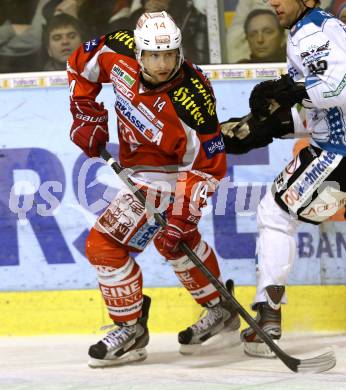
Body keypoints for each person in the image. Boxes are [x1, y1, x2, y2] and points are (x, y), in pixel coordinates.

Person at [67, 11, 240, 367]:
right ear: (139, 52)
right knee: (175, 244)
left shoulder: (192, 97)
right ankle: (220, 307)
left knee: (104, 245)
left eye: (170, 55)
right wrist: (85, 113)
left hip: (172, 174)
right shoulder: (117, 48)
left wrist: (184, 215)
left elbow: (208, 165)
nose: (163, 64)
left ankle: (130, 329)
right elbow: (78, 66)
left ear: (179, 50)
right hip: (138, 168)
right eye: (154, 56)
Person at [221, 0, 346, 357]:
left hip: (337, 154)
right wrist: (264, 128)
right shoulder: (309, 30)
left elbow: (342, 88)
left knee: (275, 214)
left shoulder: (315, 32)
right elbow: (324, 110)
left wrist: (295, 91)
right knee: (276, 212)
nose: (273, 2)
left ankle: (268, 318)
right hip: (336, 149)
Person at [225, 0, 332, 63]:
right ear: (247, 38)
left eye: (268, 32)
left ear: (282, 37)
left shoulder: (298, 64)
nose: (260, 40)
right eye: (253, 34)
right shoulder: (238, 68)